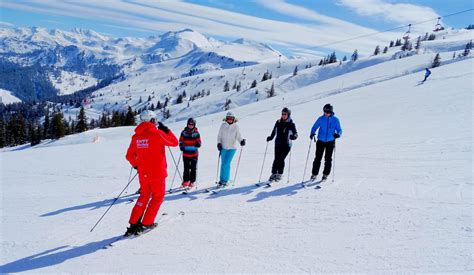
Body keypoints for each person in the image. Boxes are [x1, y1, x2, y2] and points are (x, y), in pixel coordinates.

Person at [125, 110, 178, 236]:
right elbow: (174, 142)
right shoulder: (157, 134)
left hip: (144, 174)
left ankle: (133, 224)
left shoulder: (136, 136)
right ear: (152, 120)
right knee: (157, 197)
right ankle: (147, 223)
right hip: (157, 173)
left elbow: (129, 156)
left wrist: (137, 165)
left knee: (144, 196)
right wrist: (167, 130)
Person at [309, 104, 342, 181]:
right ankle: (314, 174)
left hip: (330, 142)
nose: (326, 113)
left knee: (328, 159)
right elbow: (314, 127)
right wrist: (312, 133)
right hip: (320, 141)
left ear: (331, 112)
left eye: (328, 112)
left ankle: (325, 174)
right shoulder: (321, 119)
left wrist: (338, 134)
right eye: (325, 112)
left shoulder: (335, 120)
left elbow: (339, 130)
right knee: (317, 158)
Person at [266, 107, 298, 182]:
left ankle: (279, 174)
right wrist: (271, 137)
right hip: (278, 144)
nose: (283, 115)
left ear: (288, 115)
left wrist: (294, 137)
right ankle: (273, 173)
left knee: (281, 159)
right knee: (276, 159)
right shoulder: (278, 122)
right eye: (282, 114)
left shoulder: (291, 124)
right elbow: (274, 131)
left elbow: (296, 134)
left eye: (285, 114)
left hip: (286, 145)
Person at [217, 111, 245, 186]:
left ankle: (226, 180)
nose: (229, 120)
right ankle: (222, 180)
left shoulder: (235, 127)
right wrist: (219, 143)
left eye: (231, 118)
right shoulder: (223, 126)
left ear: (233, 119)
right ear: (226, 119)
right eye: (228, 118)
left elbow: (238, 136)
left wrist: (241, 141)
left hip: (232, 148)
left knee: (227, 163)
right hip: (223, 148)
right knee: (223, 164)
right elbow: (219, 136)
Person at [179, 118, 201, 189]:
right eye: (189, 124)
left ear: (194, 125)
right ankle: (186, 181)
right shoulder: (184, 132)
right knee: (186, 168)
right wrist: (181, 146)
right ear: (187, 124)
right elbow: (181, 140)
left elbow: (199, 141)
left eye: (192, 124)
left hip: (194, 154)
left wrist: (198, 143)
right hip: (186, 154)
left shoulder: (196, 133)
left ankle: (192, 181)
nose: (190, 125)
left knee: (193, 168)